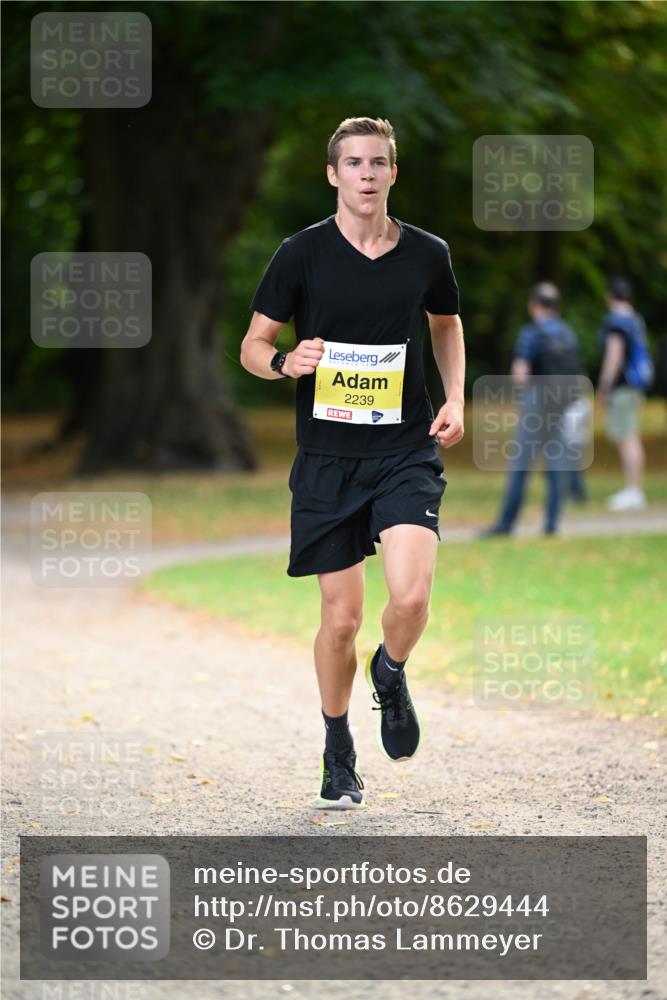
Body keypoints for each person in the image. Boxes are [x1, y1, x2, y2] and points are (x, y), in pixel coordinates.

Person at [240, 117, 464, 809]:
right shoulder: (300, 254)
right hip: (328, 460)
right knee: (339, 620)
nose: (366, 173)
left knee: (410, 597)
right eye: (353, 163)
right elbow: (251, 344)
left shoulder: (427, 254)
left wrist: (454, 395)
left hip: (403, 451)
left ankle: (389, 671)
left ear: (393, 173)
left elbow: (445, 324)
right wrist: (284, 362)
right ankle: (338, 748)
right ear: (333, 175)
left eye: (378, 162)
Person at [481, 282, 585, 537]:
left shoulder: (532, 332)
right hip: (561, 401)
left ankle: (506, 523)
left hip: (536, 399)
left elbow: (521, 374)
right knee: (556, 461)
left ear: (534, 305)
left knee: (521, 464)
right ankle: (551, 523)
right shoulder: (567, 332)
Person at [598, 276, 652, 511]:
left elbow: (614, 354)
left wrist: (604, 385)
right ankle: (634, 489)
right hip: (636, 386)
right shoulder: (635, 319)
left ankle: (633, 490)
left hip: (623, 386)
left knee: (627, 437)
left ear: (610, 295)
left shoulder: (616, 321)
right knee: (631, 435)